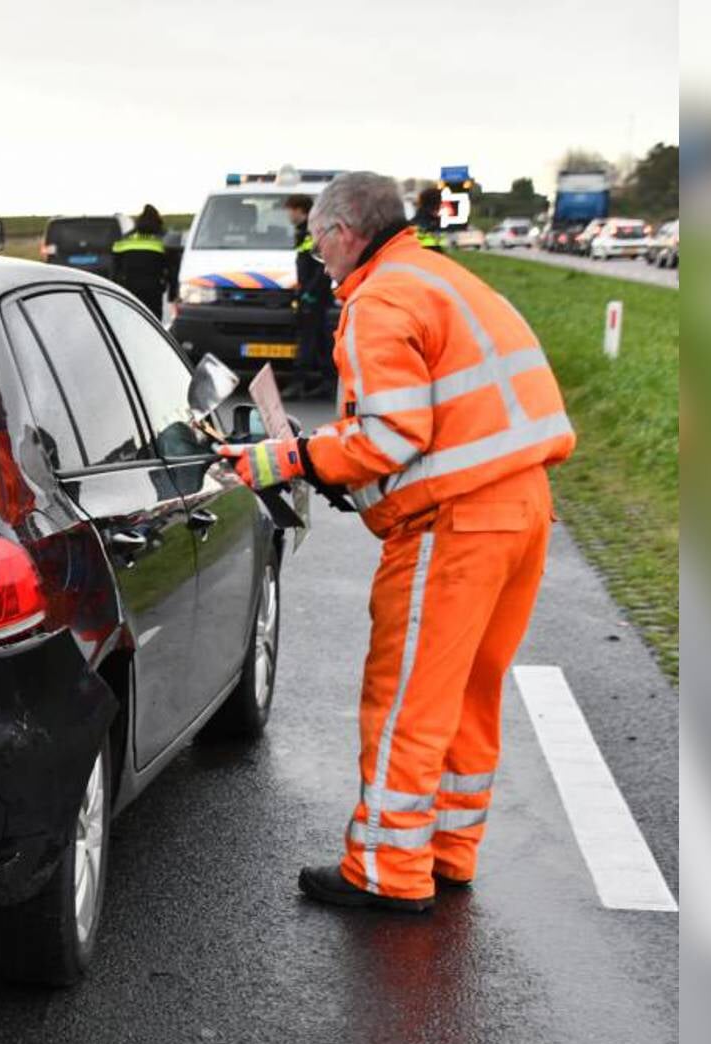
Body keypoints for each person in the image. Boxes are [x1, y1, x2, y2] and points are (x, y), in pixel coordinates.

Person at [213, 171, 576, 913]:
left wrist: (292, 457)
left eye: (317, 241)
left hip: (455, 524)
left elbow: (389, 436)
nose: (316, 257)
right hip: (520, 507)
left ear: (346, 233)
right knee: (469, 693)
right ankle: (446, 849)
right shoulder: (438, 277)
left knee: (408, 698)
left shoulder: (379, 300)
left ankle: (386, 869)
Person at [285, 193, 336, 398]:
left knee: (306, 340)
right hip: (313, 293)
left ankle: (298, 383)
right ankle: (328, 382)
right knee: (321, 340)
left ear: (300, 210)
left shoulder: (311, 232)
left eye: (290, 210)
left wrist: (309, 293)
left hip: (314, 295)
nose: (288, 215)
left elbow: (319, 266)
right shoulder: (306, 231)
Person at [111, 205, 177, 320]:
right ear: (158, 221)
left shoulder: (126, 238)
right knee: (153, 321)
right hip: (153, 289)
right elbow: (173, 269)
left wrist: (115, 286)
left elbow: (115, 266)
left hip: (129, 287)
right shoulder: (163, 239)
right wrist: (172, 294)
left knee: (131, 319)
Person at [413, 185, 448, 252]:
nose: (442, 205)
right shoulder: (427, 224)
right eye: (440, 202)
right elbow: (434, 248)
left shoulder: (419, 220)